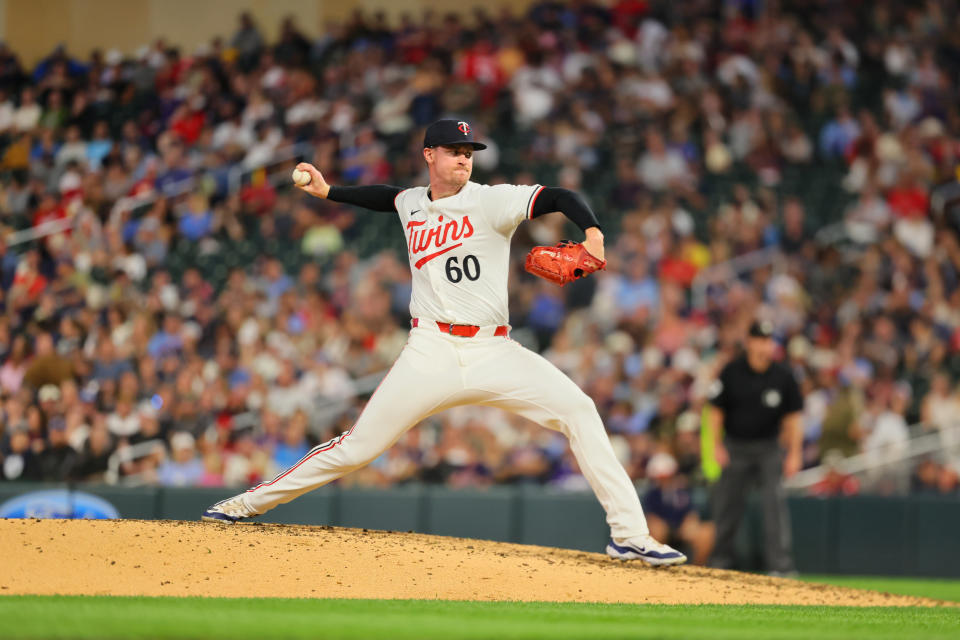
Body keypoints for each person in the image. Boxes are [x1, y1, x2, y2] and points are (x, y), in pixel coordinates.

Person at [202, 119, 686, 566]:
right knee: (357, 449)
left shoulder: (491, 201)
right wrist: (329, 191)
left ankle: (630, 535)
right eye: (454, 151)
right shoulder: (412, 201)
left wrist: (594, 232)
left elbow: (559, 195)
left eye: (469, 152)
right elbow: (383, 196)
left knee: (579, 410)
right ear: (429, 154)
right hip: (430, 350)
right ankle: (245, 503)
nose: (464, 159)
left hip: (494, 351)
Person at [706, 319, 803, 575]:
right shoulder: (731, 371)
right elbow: (715, 412)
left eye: (769, 341)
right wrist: (716, 446)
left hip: (768, 449)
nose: (764, 346)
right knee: (728, 506)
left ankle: (780, 567)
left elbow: (794, 418)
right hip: (736, 446)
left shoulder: (783, 376)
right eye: (760, 340)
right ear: (749, 342)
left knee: (775, 508)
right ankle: (721, 561)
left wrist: (794, 453)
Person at [641, 452, 715, 565]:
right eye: (661, 478)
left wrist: (690, 521)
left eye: (669, 477)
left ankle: (697, 570)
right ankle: (655, 569)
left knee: (707, 532)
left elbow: (691, 514)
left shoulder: (682, 492)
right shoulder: (650, 494)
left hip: (681, 530)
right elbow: (650, 519)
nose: (665, 481)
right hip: (662, 532)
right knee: (657, 530)